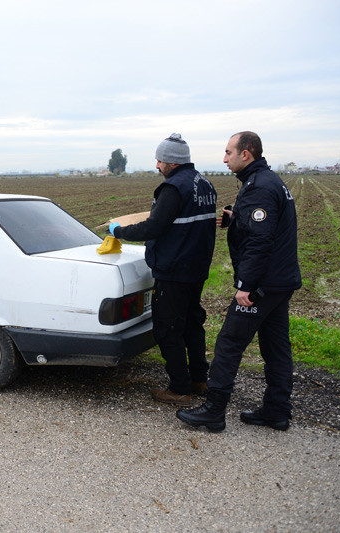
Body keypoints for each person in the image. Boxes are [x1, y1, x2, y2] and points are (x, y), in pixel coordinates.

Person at [177, 131, 302, 432]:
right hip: (280, 282)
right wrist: (236, 220)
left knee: (229, 343)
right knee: (276, 347)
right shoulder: (269, 181)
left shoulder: (259, 187)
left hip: (263, 285)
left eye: (228, 152)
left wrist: (246, 285)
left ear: (246, 154)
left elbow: (260, 241)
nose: (224, 159)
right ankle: (276, 410)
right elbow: (264, 226)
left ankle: (214, 411)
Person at [110, 133, 217, 407]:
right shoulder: (204, 184)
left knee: (168, 328)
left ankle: (179, 390)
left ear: (172, 162)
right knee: (192, 323)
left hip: (174, 270)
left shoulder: (173, 188)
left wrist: (119, 231)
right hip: (196, 268)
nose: (157, 166)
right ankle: (199, 380)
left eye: (160, 161)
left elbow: (154, 227)